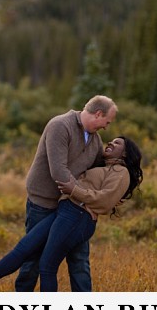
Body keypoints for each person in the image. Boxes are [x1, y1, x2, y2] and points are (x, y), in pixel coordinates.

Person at [0, 136, 143, 300]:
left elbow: (105, 200)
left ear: (125, 154)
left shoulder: (121, 172)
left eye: (117, 143)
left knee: (47, 265)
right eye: (111, 141)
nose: (110, 143)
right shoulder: (103, 166)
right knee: (24, 248)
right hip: (65, 210)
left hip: (78, 216)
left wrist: (74, 190)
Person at [16, 95, 117, 292]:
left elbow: (98, 173)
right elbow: (59, 172)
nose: (106, 127)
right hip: (43, 204)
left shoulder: (96, 141)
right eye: (107, 122)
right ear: (98, 114)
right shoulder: (60, 126)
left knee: (79, 262)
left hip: (72, 208)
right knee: (33, 259)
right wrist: (80, 195)